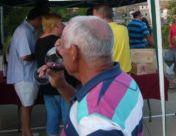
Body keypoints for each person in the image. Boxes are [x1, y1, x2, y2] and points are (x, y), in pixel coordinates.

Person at [38, 16, 143, 135]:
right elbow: (84, 106)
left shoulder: (94, 121)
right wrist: (62, 86)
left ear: (74, 52)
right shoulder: (125, 79)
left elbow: (93, 112)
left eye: (61, 45)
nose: (59, 51)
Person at [35, 13, 78, 136]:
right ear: (54, 26)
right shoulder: (58, 42)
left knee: (52, 116)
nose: (63, 26)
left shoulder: (39, 41)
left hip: (46, 84)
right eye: (60, 24)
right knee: (67, 117)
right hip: (62, 83)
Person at [7, 8, 43, 136]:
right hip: (24, 75)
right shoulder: (24, 31)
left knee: (27, 105)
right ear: (37, 19)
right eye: (41, 21)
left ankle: (26, 132)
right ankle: (27, 132)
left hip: (26, 74)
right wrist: (40, 56)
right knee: (27, 106)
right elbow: (25, 56)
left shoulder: (27, 30)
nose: (42, 24)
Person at [93, 4, 132, 73]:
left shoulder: (99, 31)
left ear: (101, 15)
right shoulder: (124, 29)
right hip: (125, 72)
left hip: (109, 74)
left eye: (94, 16)